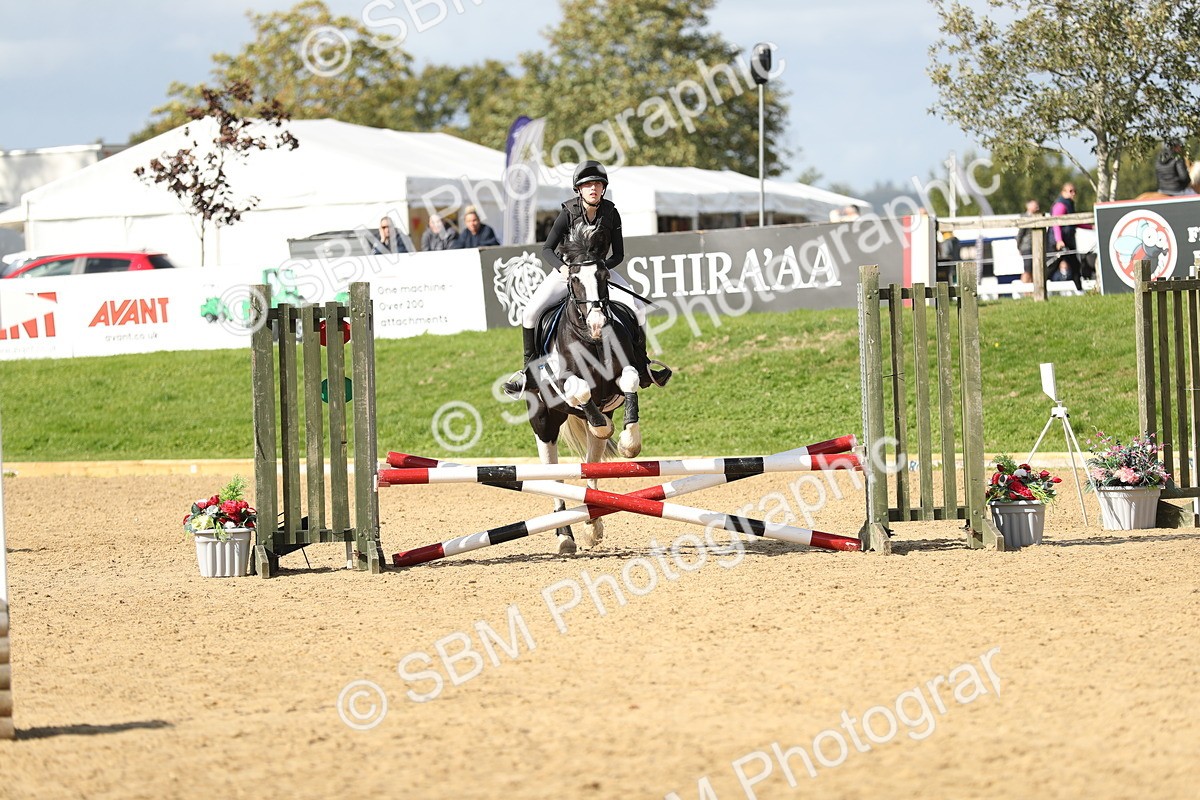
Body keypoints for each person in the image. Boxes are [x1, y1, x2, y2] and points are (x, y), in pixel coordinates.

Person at [501, 160, 670, 397]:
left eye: (598, 184)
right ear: (579, 189)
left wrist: (599, 270)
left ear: (603, 188)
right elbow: (547, 249)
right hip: (568, 273)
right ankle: (530, 373)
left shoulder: (611, 213)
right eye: (588, 185)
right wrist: (562, 268)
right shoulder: (567, 213)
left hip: (599, 273)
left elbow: (618, 255)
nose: (593, 188)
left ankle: (642, 366)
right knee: (529, 314)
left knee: (638, 308)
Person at [1049, 183, 1081, 290]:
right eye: (1070, 191)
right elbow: (1056, 223)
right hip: (1060, 243)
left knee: (1075, 265)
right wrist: (1059, 240)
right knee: (1051, 267)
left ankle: (1079, 290)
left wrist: (1091, 227)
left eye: (1074, 191)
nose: (1073, 193)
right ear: (1063, 192)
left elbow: (1074, 221)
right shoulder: (1060, 205)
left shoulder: (1069, 204)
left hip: (1067, 241)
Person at [1015, 198, 1041, 282]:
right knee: (1028, 270)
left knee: (1035, 270)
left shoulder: (1038, 216)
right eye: (1034, 204)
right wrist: (1019, 247)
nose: (1037, 206)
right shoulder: (1025, 218)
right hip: (1027, 247)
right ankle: (1025, 287)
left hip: (1035, 247)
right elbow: (1020, 234)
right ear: (1028, 206)